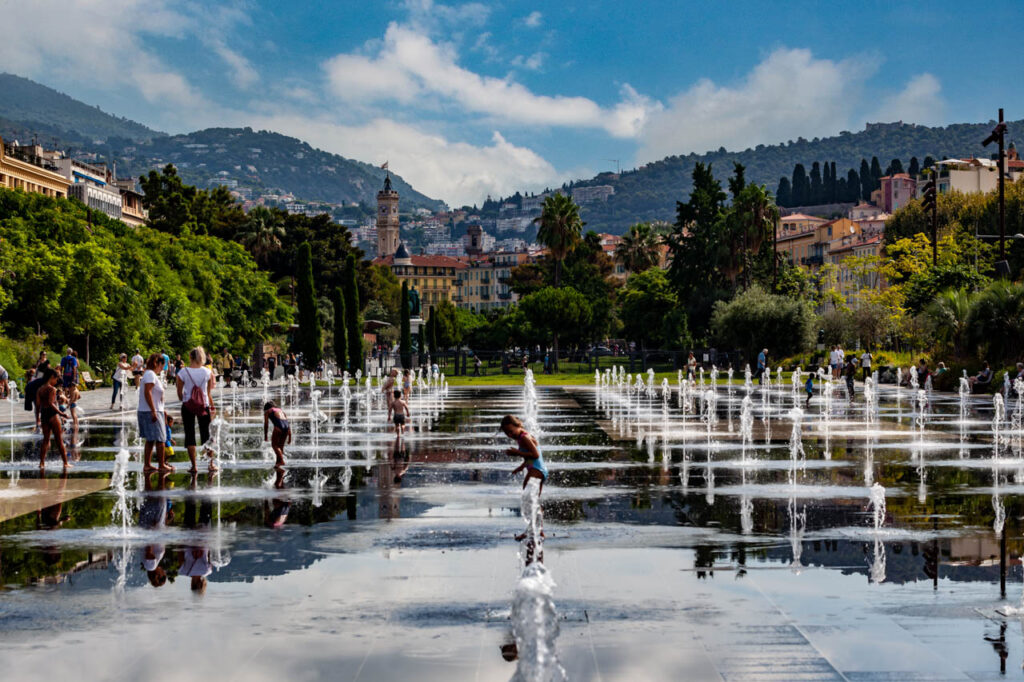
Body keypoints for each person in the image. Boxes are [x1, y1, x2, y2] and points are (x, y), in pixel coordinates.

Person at [177, 346, 218, 473]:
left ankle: (194, 466)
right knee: (207, 435)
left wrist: (187, 398)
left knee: (190, 435)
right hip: (203, 405)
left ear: (190, 357)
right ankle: (211, 464)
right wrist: (212, 406)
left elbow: (179, 394)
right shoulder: (207, 372)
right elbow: (208, 392)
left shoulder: (182, 372)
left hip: (188, 405)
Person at [139, 353, 171, 474]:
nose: (162, 368)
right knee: (160, 439)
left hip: (153, 410)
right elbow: (148, 393)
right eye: (162, 365)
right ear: (157, 363)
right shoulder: (150, 375)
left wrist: (161, 409)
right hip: (151, 411)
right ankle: (161, 464)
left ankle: (147, 465)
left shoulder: (150, 374)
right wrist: (153, 410)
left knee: (151, 439)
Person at [500, 414, 547, 495]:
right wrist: (521, 467)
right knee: (532, 502)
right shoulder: (521, 437)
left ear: (517, 425)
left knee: (528, 499)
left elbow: (536, 455)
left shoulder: (524, 437)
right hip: (538, 470)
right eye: (507, 433)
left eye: (511, 431)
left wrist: (517, 453)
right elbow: (531, 458)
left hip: (536, 471)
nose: (509, 435)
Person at [36, 369, 69, 469]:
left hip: (44, 416)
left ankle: (41, 463)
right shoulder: (52, 389)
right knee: (59, 440)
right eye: (56, 378)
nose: (57, 381)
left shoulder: (40, 389)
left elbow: (38, 405)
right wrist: (61, 413)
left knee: (45, 440)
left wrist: (37, 418)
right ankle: (65, 463)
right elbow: (51, 403)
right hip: (53, 416)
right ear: (51, 378)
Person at [263, 401, 291, 469]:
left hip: (278, 427)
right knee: (280, 446)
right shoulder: (281, 411)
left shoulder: (268, 411)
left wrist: (265, 436)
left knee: (274, 445)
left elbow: (266, 424)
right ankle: (278, 462)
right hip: (286, 428)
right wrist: (290, 436)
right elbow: (287, 422)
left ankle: (281, 461)